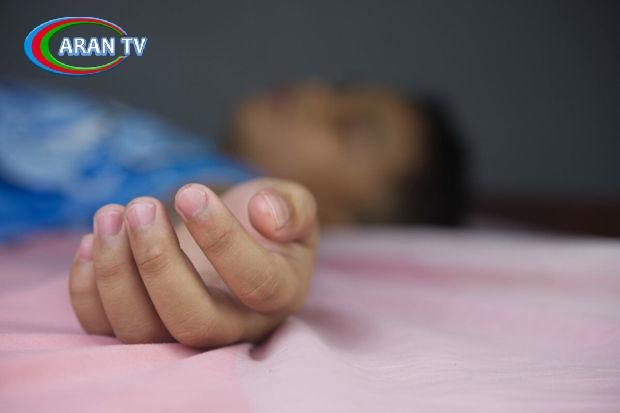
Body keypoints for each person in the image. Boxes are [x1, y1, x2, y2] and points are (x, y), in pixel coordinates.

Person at [0, 80, 466, 348]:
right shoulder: (180, 145)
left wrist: (245, 246)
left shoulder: (220, 177)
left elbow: (225, 201)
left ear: (342, 219)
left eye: (349, 128)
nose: (314, 94)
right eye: (339, 88)